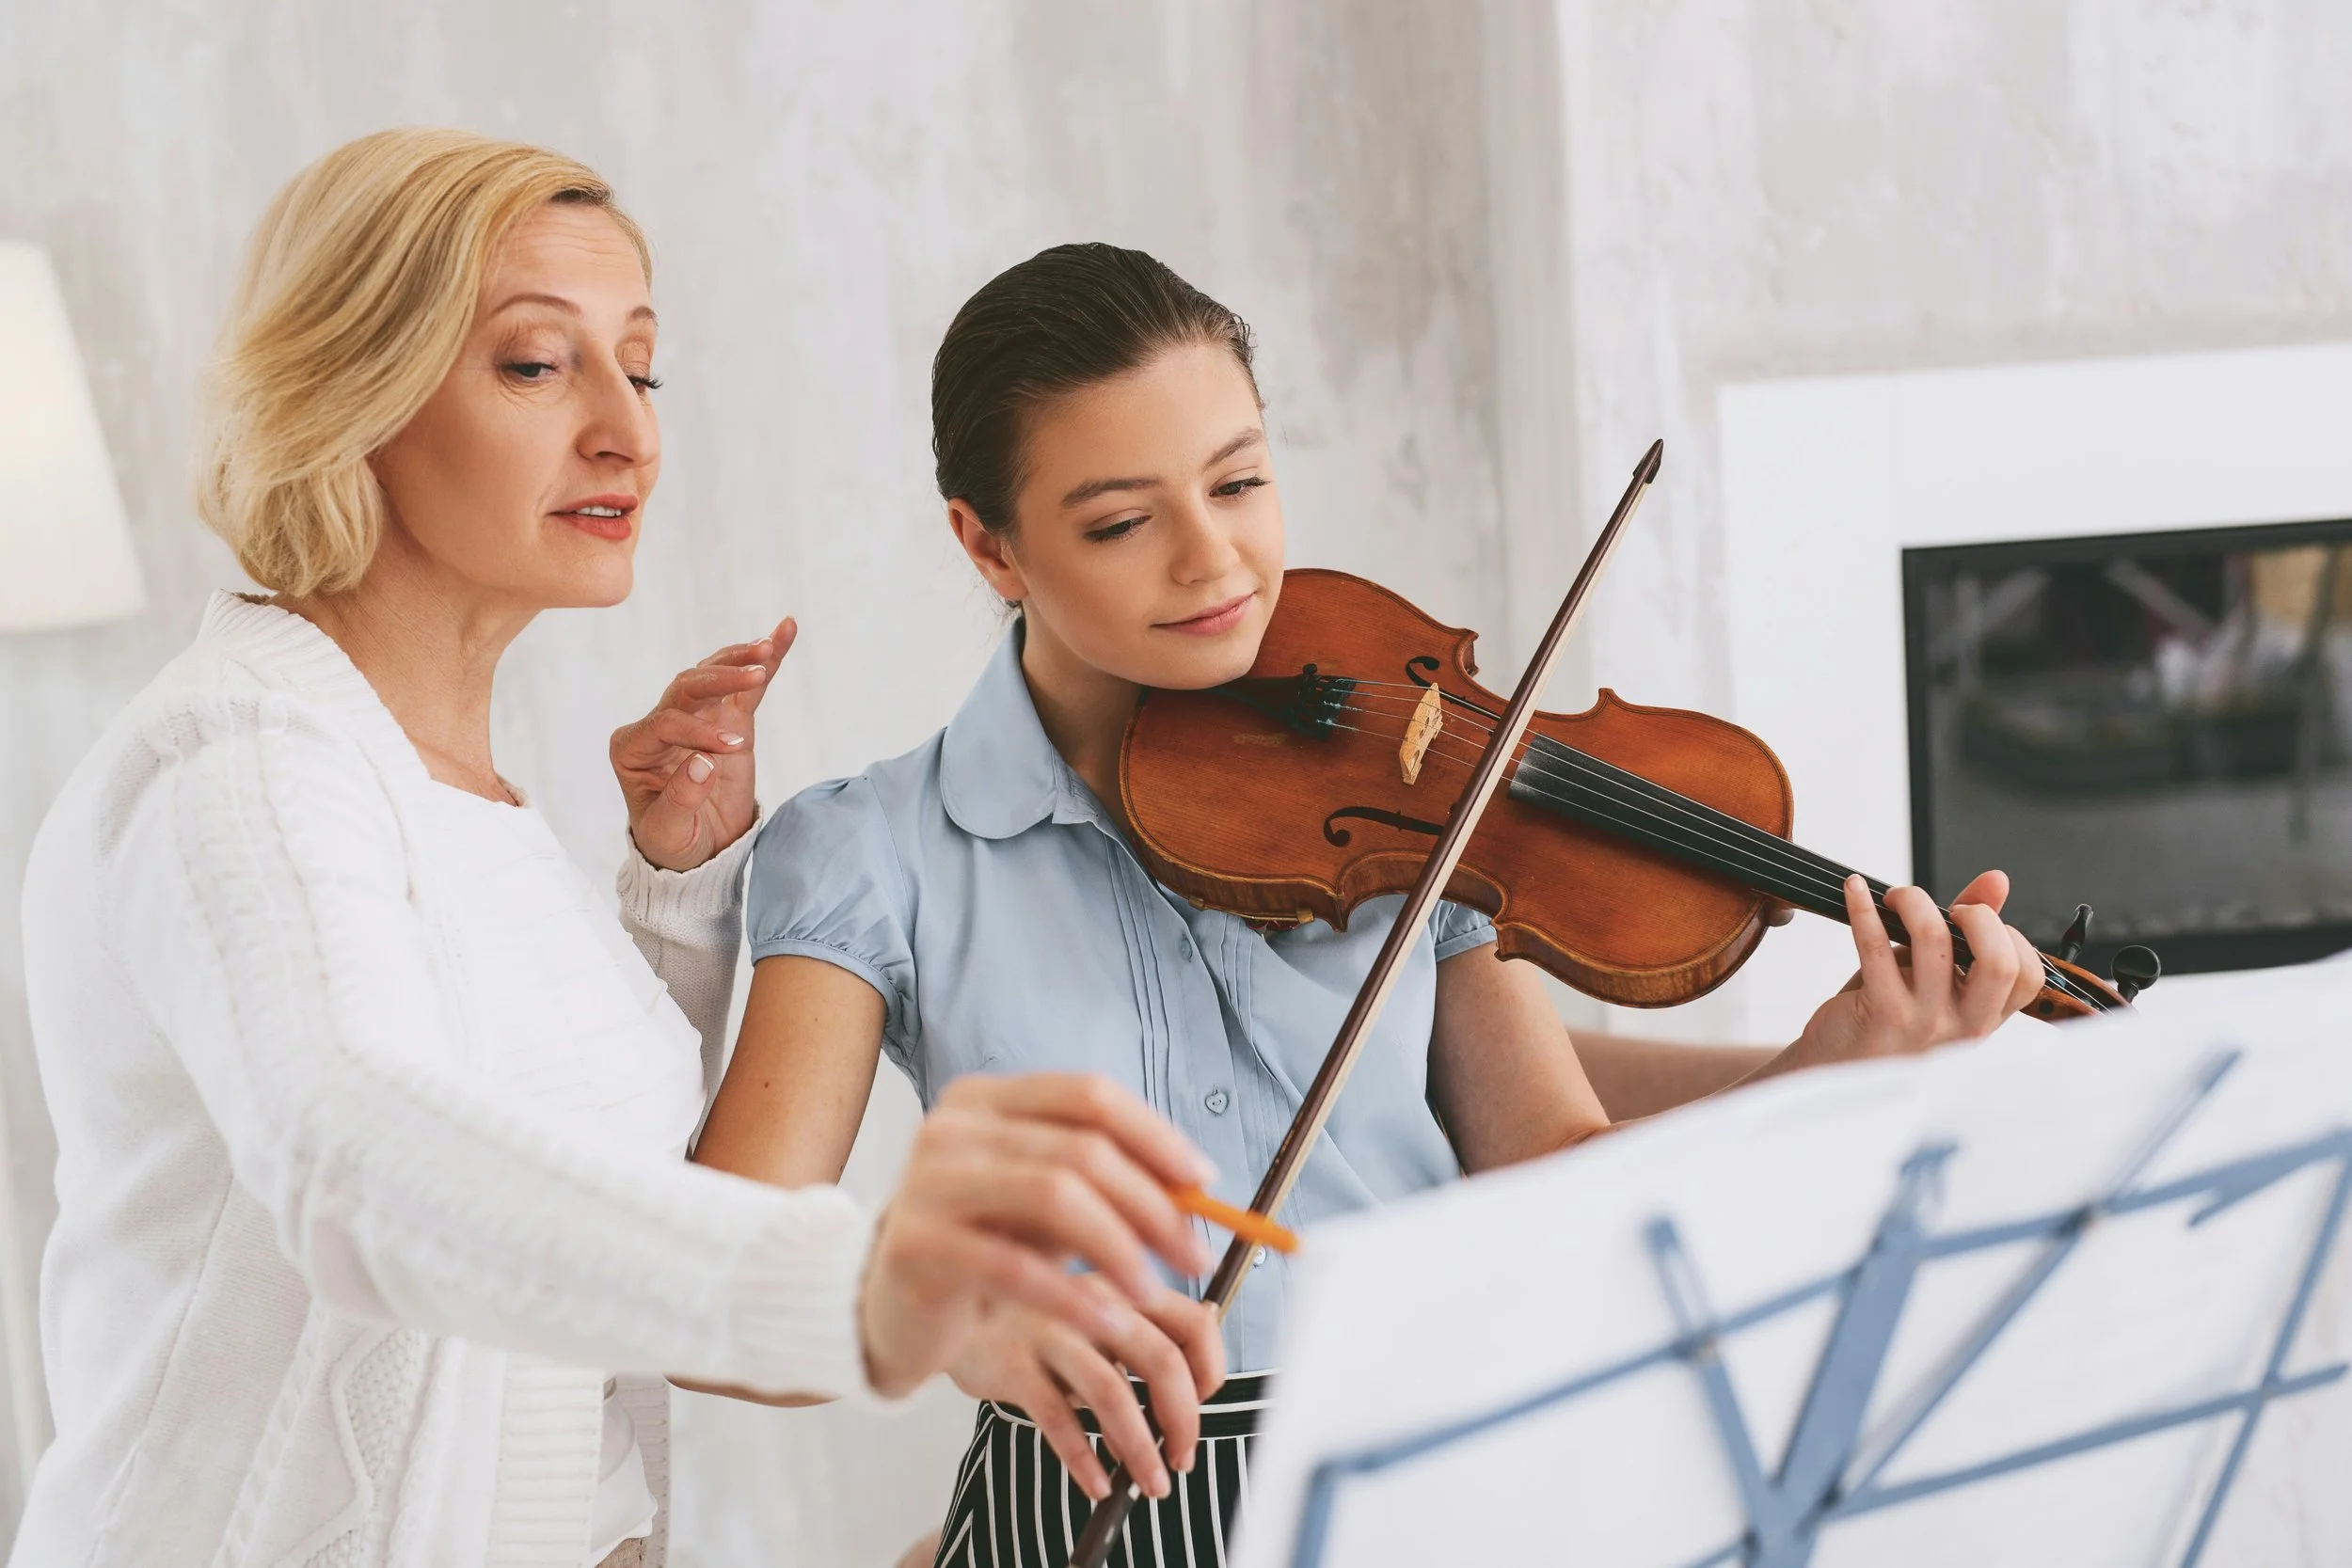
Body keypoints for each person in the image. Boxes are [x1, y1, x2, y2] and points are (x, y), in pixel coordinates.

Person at [683, 243, 2048, 1568]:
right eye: (1119, 521)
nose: (1212, 560)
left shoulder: (1409, 781)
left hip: (1428, 1468)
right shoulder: (873, 847)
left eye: (1242, 481)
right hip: (1092, 1502)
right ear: (988, 546)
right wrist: (958, 1323)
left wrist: (1834, 1060)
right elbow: (720, 1281)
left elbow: (1544, 1153)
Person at [12, 139, 1218, 1568]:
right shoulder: (232, 758)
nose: (626, 434)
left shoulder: (458, 793)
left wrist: (682, 902)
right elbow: (358, 1163)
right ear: (353, 390)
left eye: (639, 371)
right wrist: (867, 1283)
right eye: (536, 365)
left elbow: (557, 1169)